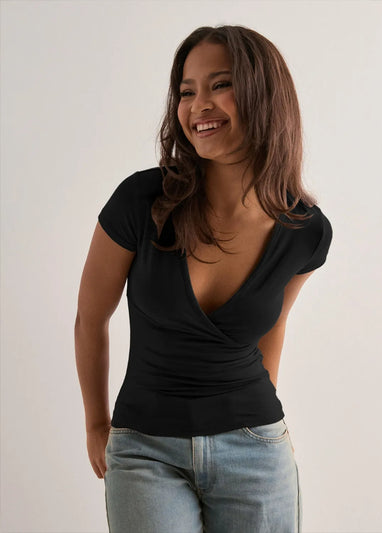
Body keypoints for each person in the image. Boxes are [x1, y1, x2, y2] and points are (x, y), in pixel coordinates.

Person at [75, 24, 333, 533]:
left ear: (264, 95)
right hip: (144, 449)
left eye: (220, 85)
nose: (198, 106)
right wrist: (96, 423)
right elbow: (90, 318)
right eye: (186, 91)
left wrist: (256, 422)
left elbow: (271, 328)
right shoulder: (141, 202)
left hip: (255, 450)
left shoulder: (305, 231)